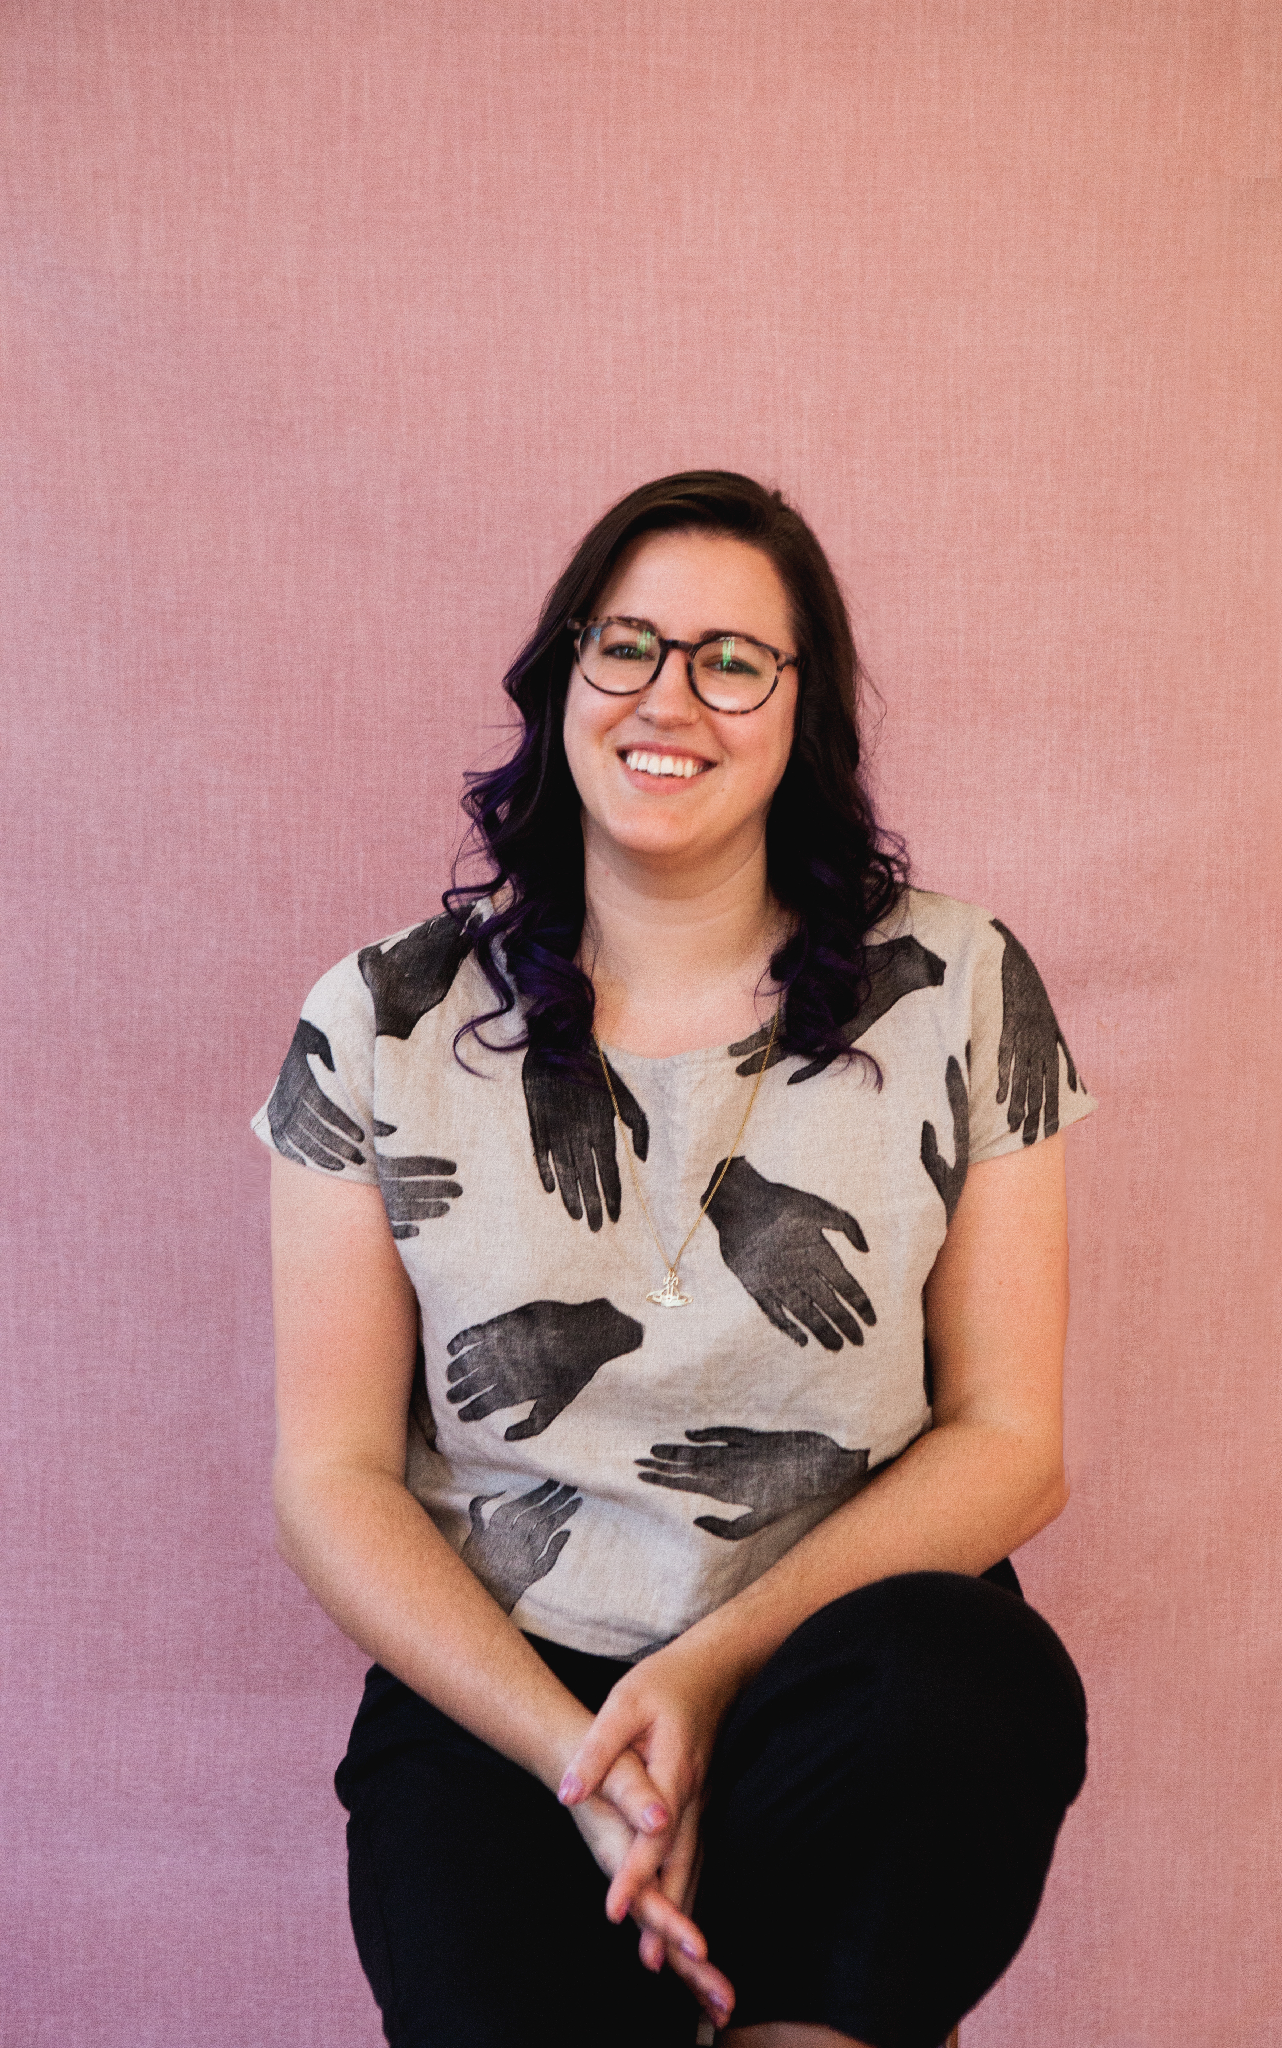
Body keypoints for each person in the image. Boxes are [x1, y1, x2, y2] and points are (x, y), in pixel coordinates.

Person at [255, 471, 1094, 2048]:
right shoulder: (377, 1024)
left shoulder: (961, 991)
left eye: (732, 660)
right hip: (501, 1710)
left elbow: (1011, 1443)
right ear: (564, 679)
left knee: (974, 1679)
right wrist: (582, 1761)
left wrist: (700, 1684)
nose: (668, 697)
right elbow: (333, 1476)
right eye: (624, 644)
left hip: (835, 1687)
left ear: (805, 714)